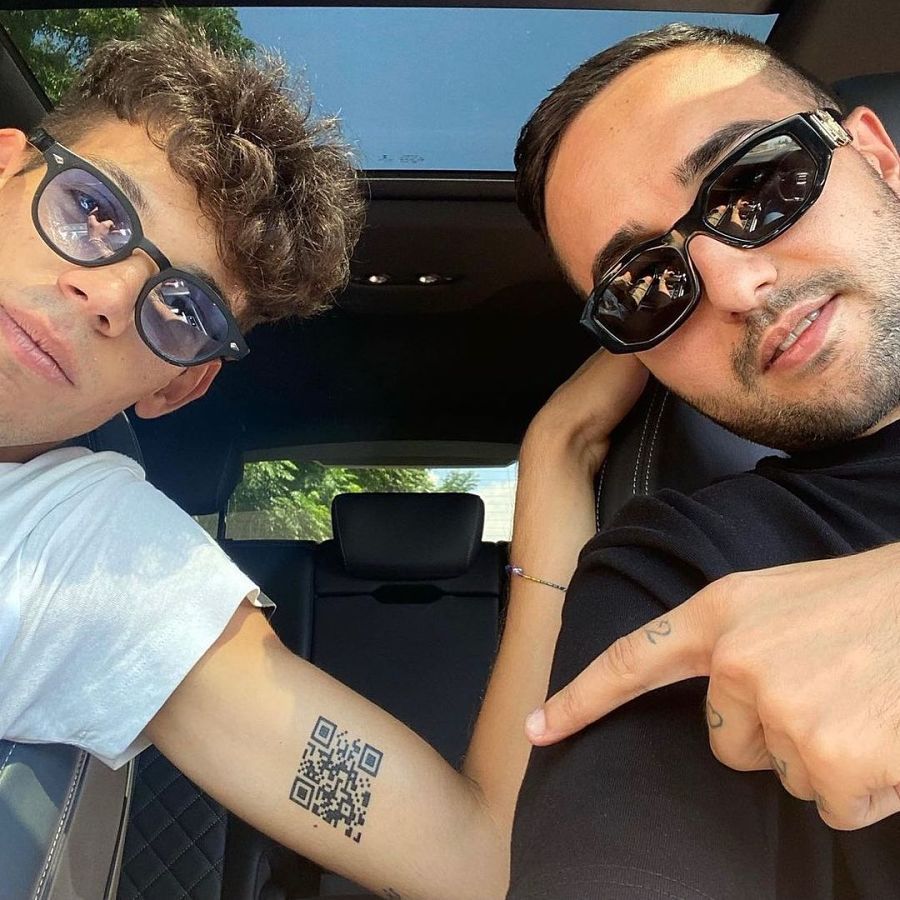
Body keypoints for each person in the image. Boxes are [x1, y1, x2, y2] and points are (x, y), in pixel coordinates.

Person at [0, 13, 645, 900]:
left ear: (176, 388)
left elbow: (478, 859)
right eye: (94, 209)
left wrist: (558, 450)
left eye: (183, 308)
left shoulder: (94, 553)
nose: (108, 295)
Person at [506, 22, 900, 899]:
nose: (734, 286)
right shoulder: (675, 577)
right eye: (646, 287)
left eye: (755, 184)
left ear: (877, 157)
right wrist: (555, 448)